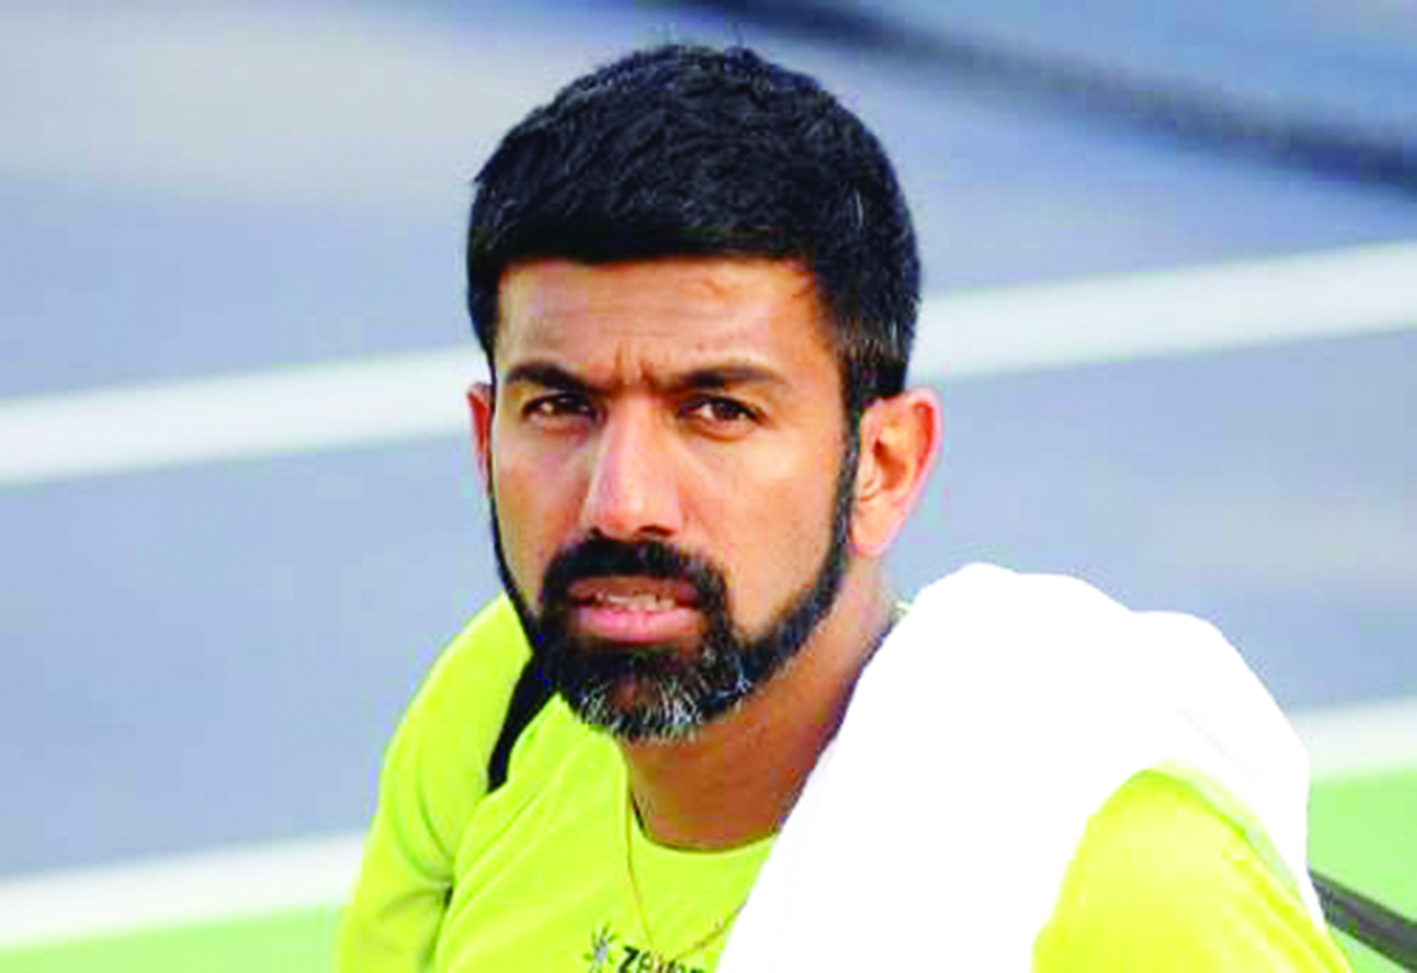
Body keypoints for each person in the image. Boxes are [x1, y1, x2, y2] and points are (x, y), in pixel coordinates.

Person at [337, 44, 1352, 971]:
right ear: (485, 439)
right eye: (561, 405)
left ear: (882, 466)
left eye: (718, 410)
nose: (622, 503)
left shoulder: (1123, 892)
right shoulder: (502, 702)